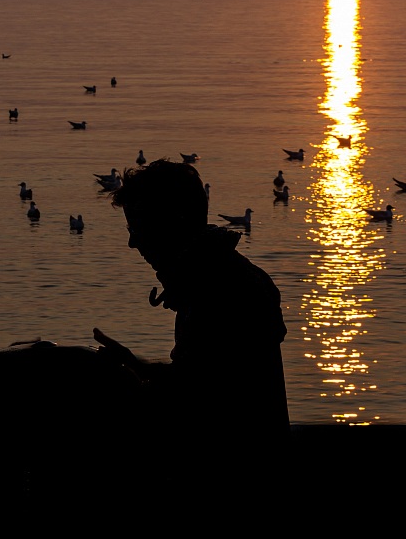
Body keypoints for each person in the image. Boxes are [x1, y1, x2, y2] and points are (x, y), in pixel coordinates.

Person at [93, 160, 289, 470]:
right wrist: (134, 365)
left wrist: (124, 379)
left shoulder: (223, 289)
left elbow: (202, 405)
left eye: (139, 228)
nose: (133, 242)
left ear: (175, 221)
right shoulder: (211, 279)